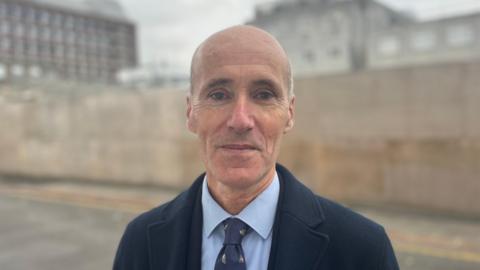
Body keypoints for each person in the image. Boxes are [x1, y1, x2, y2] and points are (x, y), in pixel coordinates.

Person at [113, 25, 399, 270]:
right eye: (218, 94)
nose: (240, 120)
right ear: (190, 113)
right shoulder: (141, 243)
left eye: (263, 94)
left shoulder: (363, 250)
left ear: (289, 112)